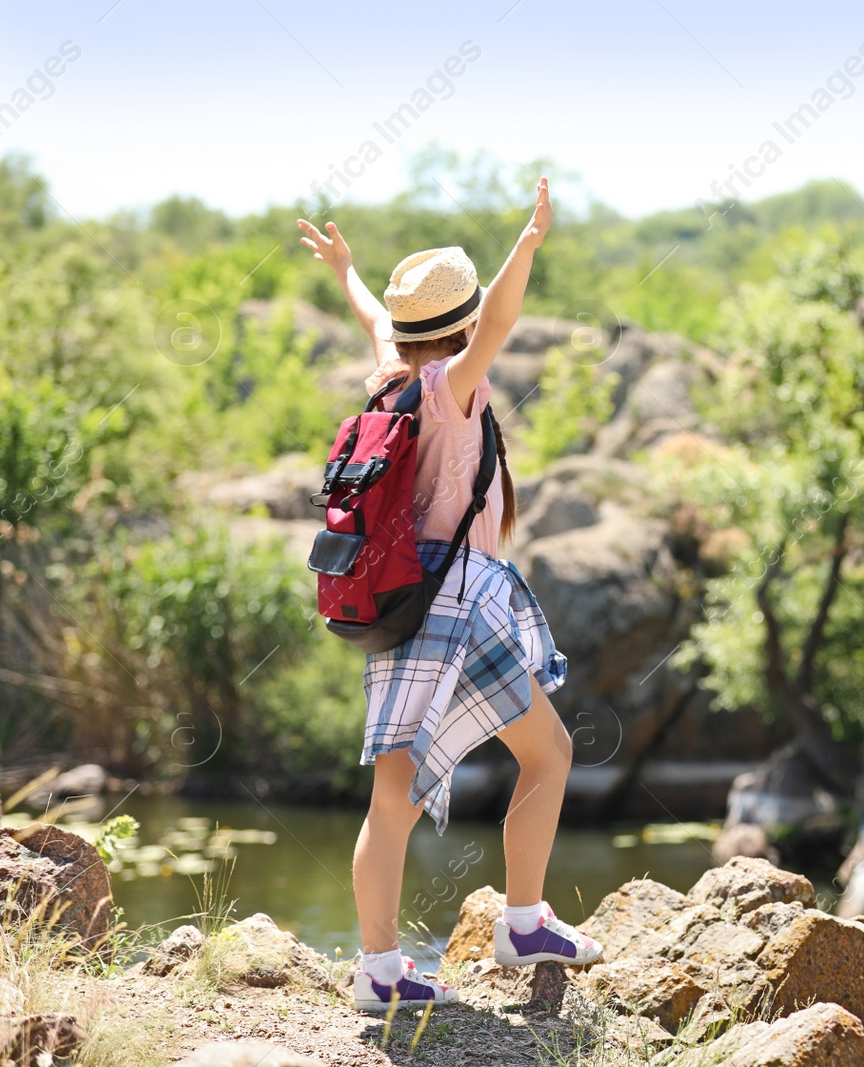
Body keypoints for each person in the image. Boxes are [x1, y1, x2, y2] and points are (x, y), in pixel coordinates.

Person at [297, 178, 602, 1013]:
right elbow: (500, 323)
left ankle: (381, 968)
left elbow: (371, 316)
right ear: (461, 329)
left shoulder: (388, 377)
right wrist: (528, 244)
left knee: (393, 793)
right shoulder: (449, 389)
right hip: (458, 600)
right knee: (548, 754)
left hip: (403, 601)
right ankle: (525, 920)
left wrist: (347, 269)